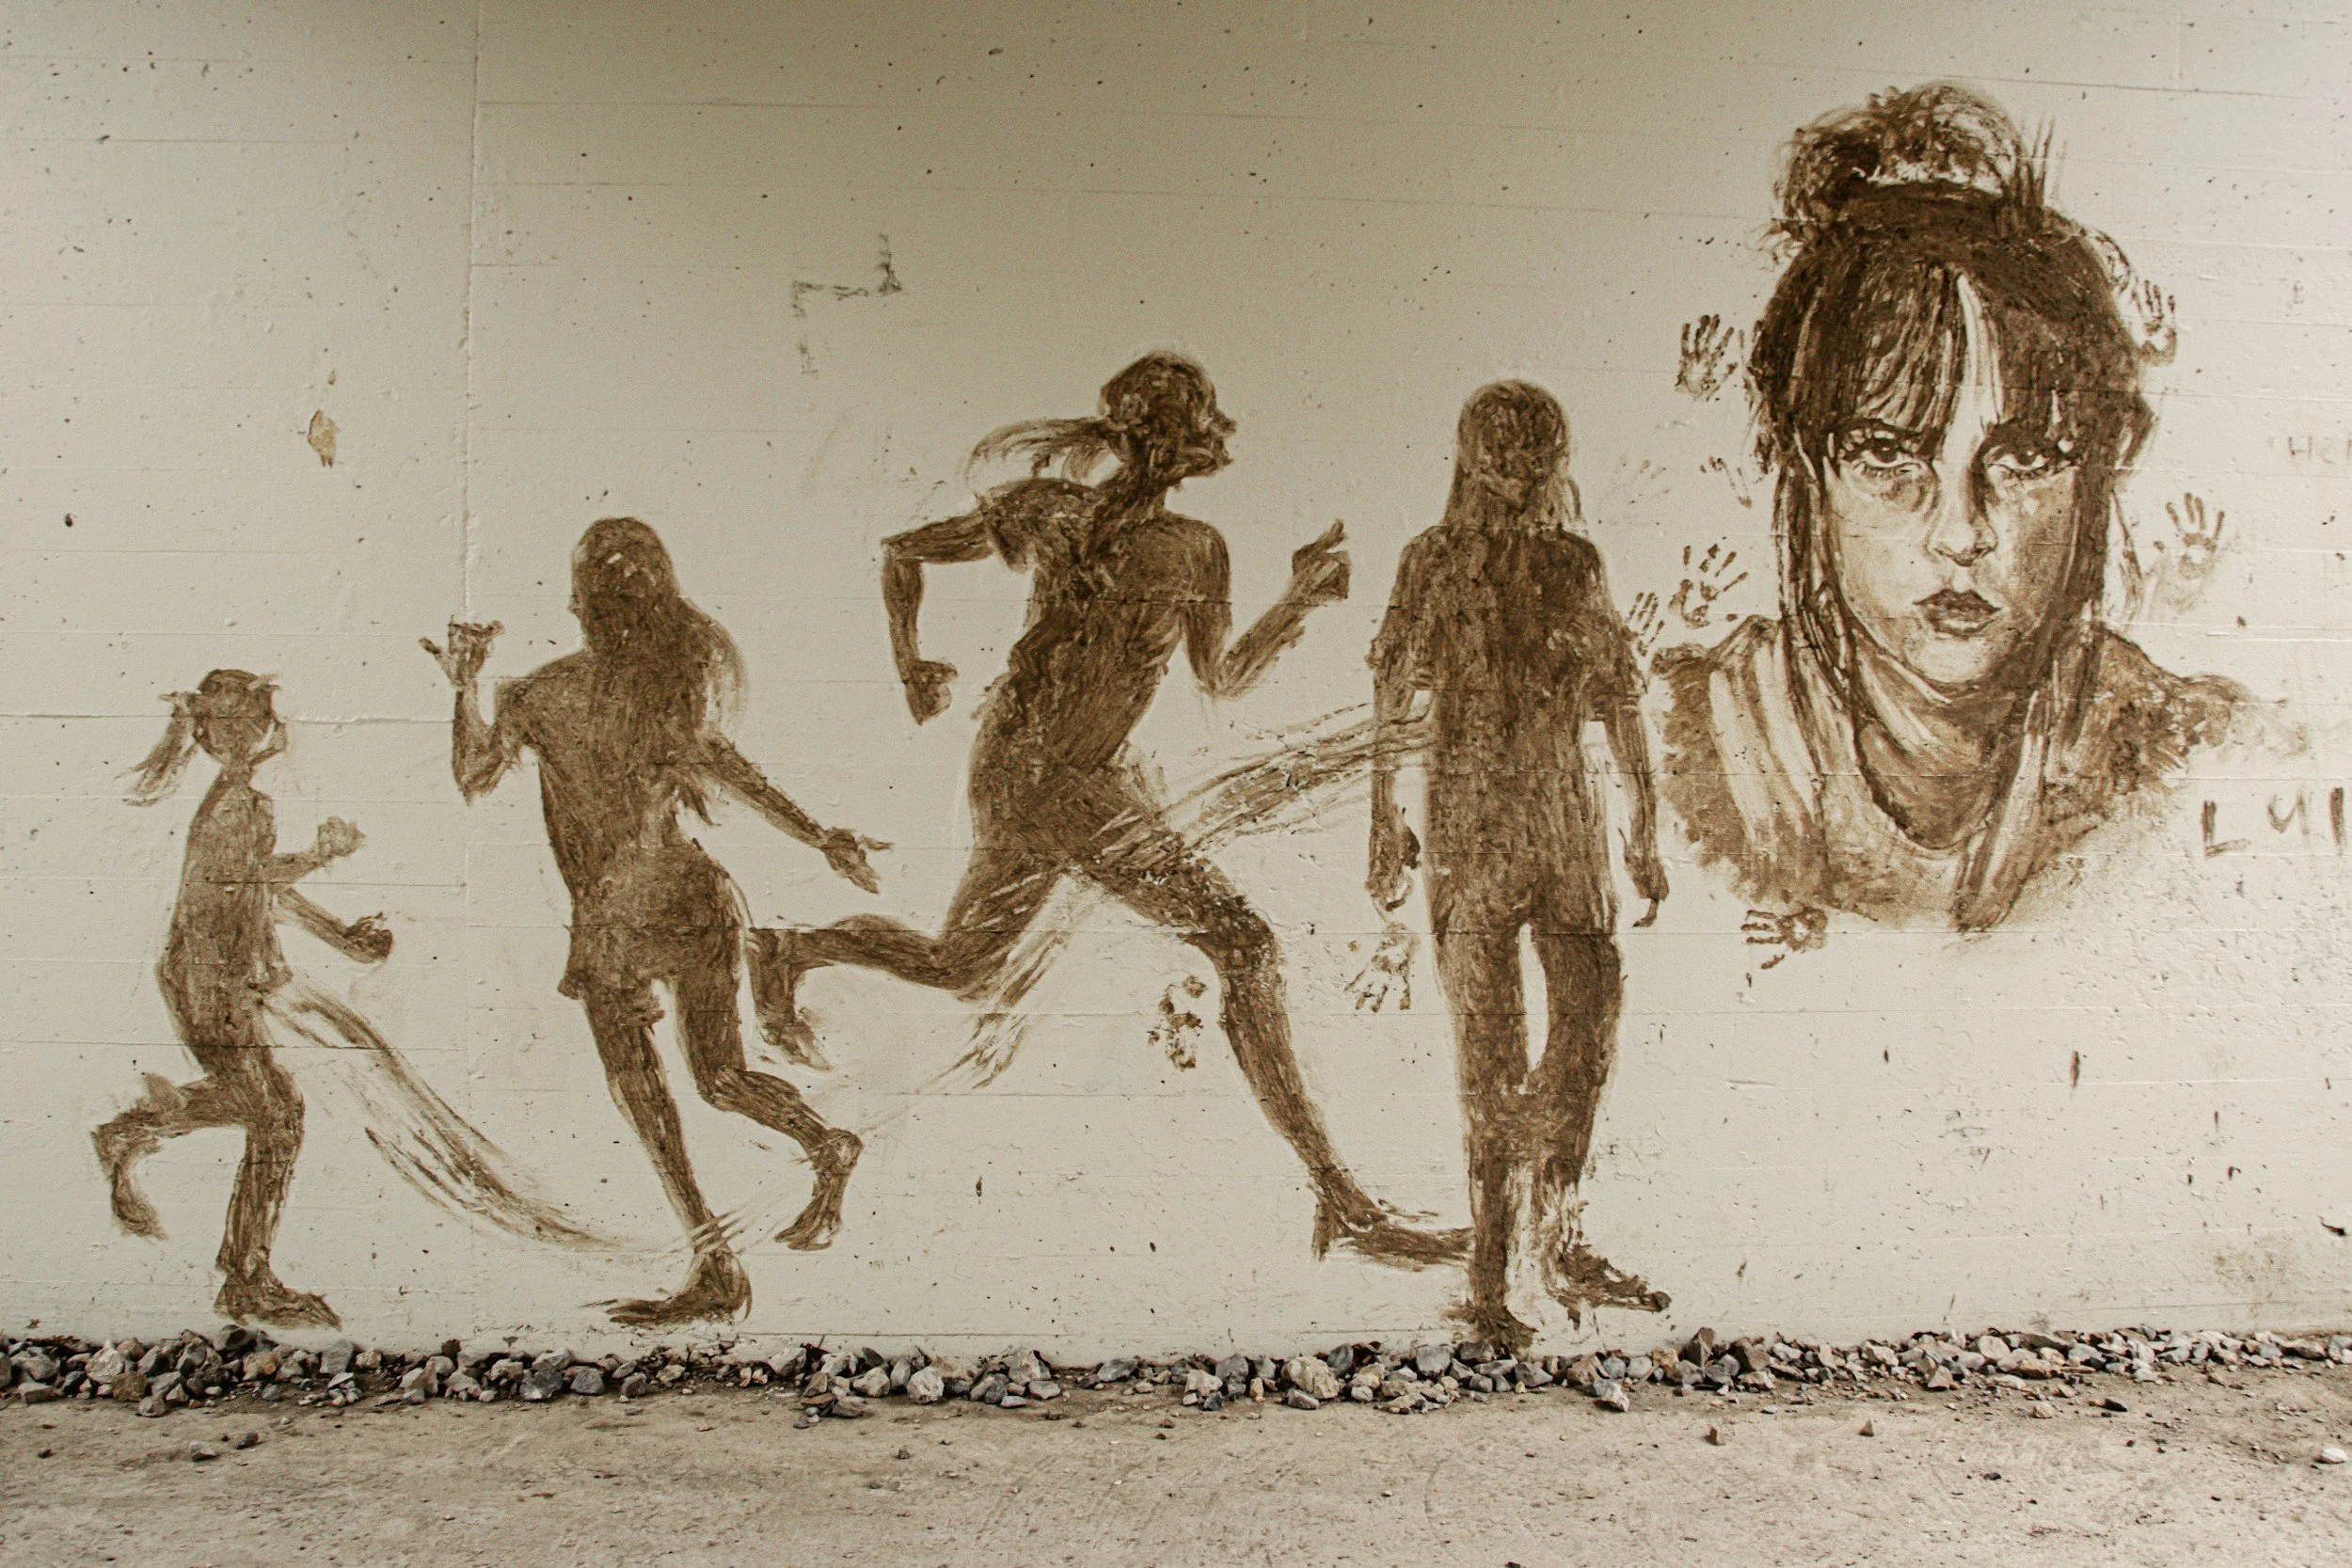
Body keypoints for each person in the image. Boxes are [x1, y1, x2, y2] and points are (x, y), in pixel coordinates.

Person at [751, 351, 1454, 1264]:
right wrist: (906, 661)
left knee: (961, 961)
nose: (1175, 447)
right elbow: (905, 552)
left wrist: (1299, 598)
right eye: (1173, 432)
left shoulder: (1151, 537)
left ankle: (793, 947)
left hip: (1047, 767)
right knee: (1242, 943)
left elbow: (1220, 675)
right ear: (1167, 441)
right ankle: (1342, 1199)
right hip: (1051, 775)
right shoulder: (1085, 520)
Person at [1658, 83, 2277, 931]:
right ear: (1807, 470)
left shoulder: (2189, 759)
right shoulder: (1675, 749)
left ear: (2100, 468)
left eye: (2022, 459)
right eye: (1888, 454)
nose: (1959, 533)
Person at [423, 517, 883, 1324]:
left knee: (645, 1094)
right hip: (690, 898)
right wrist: (819, 835)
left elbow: (472, 773)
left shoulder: (539, 694)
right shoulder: (662, 690)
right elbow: (729, 768)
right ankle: (823, 1144)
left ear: (578, 603)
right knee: (720, 1078)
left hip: (613, 921)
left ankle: (715, 1259)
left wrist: (463, 683)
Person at [1368, 382, 1669, 1346]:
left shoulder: (1572, 560)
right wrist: (1381, 818)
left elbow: (1618, 692)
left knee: (1588, 1015)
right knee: (1488, 1045)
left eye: (1533, 451)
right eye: (1500, 451)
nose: (1517, 469)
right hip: (1470, 825)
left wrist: (1644, 819)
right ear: (1472, 456)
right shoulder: (1433, 560)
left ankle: (1556, 1228)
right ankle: (1492, 1266)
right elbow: (1390, 688)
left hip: (1562, 821)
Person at [93, 671, 389, 1328]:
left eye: (248, 720)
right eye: (234, 723)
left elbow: (257, 889)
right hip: (212, 982)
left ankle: (137, 1131)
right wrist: (321, 868)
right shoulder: (238, 805)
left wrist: (340, 932)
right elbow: (252, 889)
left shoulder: (236, 802)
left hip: (210, 979)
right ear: (216, 732)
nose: (248, 731)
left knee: (262, 1107)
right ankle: (245, 1278)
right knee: (277, 1116)